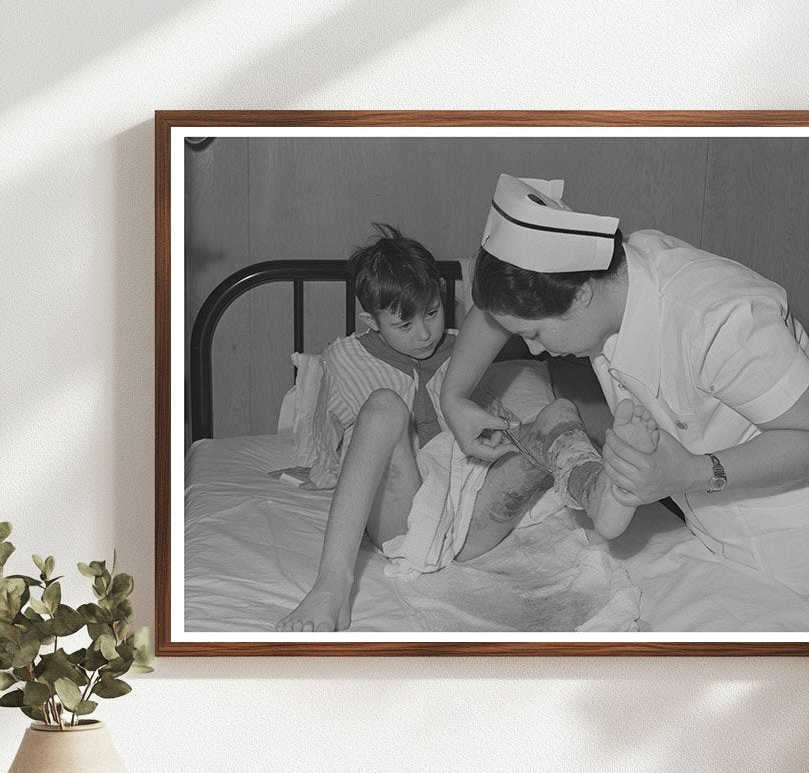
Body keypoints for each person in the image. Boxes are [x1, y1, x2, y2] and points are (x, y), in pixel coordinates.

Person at [440, 175, 809, 619]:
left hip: (806, 556)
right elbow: (495, 310)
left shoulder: (719, 321)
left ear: (581, 295)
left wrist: (692, 473)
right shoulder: (606, 275)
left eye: (534, 334)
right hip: (715, 535)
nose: (534, 349)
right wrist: (453, 396)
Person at [277, 223, 657, 633]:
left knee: (557, 413)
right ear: (371, 320)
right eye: (404, 325)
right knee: (384, 406)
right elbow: (324, 443)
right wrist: (320, 470)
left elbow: (491, 418)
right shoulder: (345, 357)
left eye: (432, 312)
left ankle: (600, 492)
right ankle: (332, 585)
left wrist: (504, 437)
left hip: (471, 511)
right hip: (403, 518)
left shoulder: (465, 348)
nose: (424, 332)